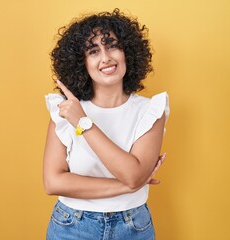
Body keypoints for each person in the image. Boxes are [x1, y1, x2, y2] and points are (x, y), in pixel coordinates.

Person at [43, 9, 170, 240]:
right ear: (82, 63)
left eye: (112, 45)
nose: (106, 58)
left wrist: (84, 123)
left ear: (127, 52)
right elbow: (53, 182)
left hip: (133, 227)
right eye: (93, 51)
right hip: (72, 226)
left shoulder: (150, 110)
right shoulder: (66, 109)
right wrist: (127, 186)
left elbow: (132, 174)